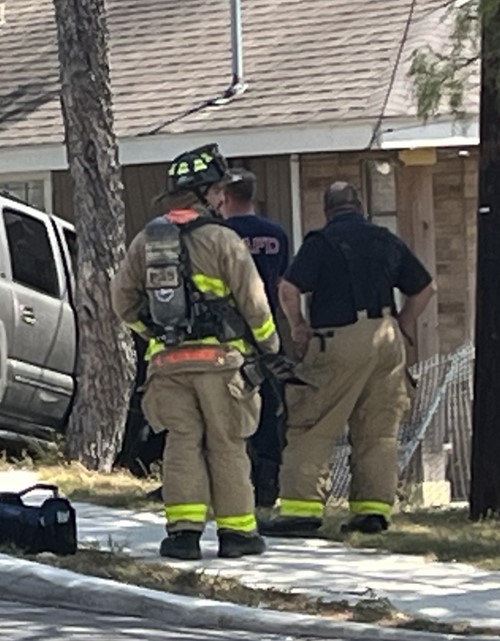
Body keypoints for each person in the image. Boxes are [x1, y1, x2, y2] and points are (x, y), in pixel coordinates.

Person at [113, 143, 281, 561]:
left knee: (181, 444)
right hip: (222, 367)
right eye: (220, 191)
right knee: (226, 443)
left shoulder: (146, 241)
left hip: (167, 366)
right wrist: (270, 348)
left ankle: (183, 536)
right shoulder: (223, 240)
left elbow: (121, 301)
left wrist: (150, 331)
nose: (224, 197)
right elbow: (255, 305)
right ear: (207, 194)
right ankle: (237, 534)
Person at [261, 182, 435, 538]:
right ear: (360, 207)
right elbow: (425, 288)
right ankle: (373, 512)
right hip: (387, 339)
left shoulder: (321, 243)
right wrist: (403, 323)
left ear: (328, 211)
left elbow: (289, 289)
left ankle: (301, 511)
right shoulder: (386, 240)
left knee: (313, 421)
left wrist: (298, 328)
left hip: (337, 338)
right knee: (378, 429)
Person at [219, 169, 291, 508]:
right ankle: (267, 484)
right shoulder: (276, 235)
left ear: (226, 197)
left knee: (223, 410)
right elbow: (282, 284)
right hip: (267, 333)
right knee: (266, 410)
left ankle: (227, 482)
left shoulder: (221, 234)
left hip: (226, 337)